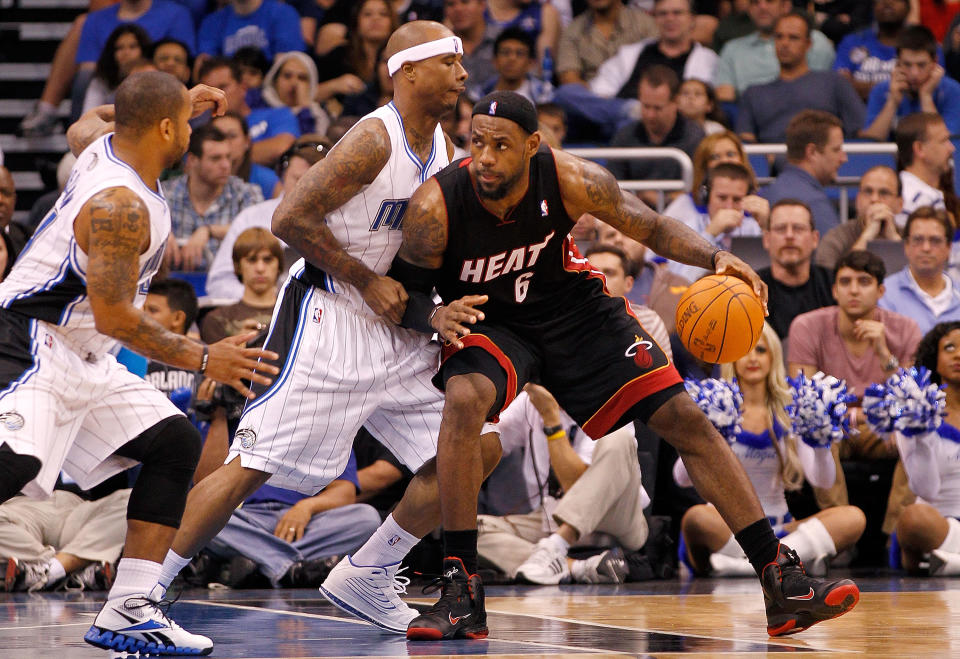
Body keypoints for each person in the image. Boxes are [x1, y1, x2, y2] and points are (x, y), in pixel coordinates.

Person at [391, 89, 858, 640]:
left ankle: (779, 578)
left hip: (575, 312)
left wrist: (715, 255)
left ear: (533, 146)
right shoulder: (434, 206)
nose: (486, 157)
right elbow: (402, 292)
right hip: (490, 319)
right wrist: (434, 315)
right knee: (466, 398)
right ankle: (460, 587)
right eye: (477, 143)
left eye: (501, 145)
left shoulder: (570, 178)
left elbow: (653, 228)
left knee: (684, 417)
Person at [152, 21, 501, 638]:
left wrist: (435, 312)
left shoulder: (447, 151)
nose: (463, 73)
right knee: (253, 461)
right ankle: (145, 590)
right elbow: (290, 219)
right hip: (332, 313)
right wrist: (365, 280)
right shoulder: (373, 139)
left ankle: (369, 569)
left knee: (476, 447)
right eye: (450, 61)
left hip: (397, 329)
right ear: (408, 71)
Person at [0, 71, 280, 656]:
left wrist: (175, 106)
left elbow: (89, 122)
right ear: (167, 128)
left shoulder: (101, 147)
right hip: (32, 337)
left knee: (172, 444)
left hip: (85, 352)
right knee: (11, 466)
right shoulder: (120, 206)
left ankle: (129, 608)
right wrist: (206, 356)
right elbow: (117, 320)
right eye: (184, 120)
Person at [677, 323, 865, 577]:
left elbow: (822, 480)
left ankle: (748, 566)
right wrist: (708, 433)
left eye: (761, 350)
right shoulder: (715, 404)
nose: (752, 358)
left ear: (773, 356)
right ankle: (791, 562)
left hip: (781, 528)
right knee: (696, 519)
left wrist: (819, 441)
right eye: (744, 350)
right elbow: (682, 478)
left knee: (853, 518)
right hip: (729, 526)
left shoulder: (792, 409)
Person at [788, 250, 923, 526]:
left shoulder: (906, 328)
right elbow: (806, 399)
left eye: (864, 282)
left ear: (881, 290)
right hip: (836, 424)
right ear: (834, 290)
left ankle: (896, 536)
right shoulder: (807, 326)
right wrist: (857, 416)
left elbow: (912, 400)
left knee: (917, 430)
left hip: (882, 428)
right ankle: (839, 529)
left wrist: (884, 353)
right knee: (817, 429)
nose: (854, 290)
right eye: (846, 282)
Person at [479, 386, 643, 585]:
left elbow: (578, 489)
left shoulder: (608, 400)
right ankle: (574, 566)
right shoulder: (530, 402)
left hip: (615, 515)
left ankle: (557, 544)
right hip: (550, 517)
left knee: (619, 439)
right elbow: (483, 447)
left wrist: (551, 419)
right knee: (472, 530)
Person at [203, 451, 382, 588]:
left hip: (306, 525)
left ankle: (261, 562)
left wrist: (306, 507)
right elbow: (205, 483)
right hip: (247, 520)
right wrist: (217, 418)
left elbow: (345, 492)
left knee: (367, 518)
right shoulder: (234, 416)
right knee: (200, 515)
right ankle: (292, 569)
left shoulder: (329, 424)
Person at [206, 138, 327, 300]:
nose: (304, 189)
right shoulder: (251, 218)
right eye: (297, 179)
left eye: (313, 182)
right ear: (283, 176)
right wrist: (264, 299)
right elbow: (219, 282)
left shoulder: (343, 221)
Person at [735, 12, 864, 144]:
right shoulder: (753, 93)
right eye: (779, 37)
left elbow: (861, 134)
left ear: (808, 44)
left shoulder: (834, 83)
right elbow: (746, 144)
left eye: (793, 38)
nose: (784, 43)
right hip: (771, 162)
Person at [896, 321, 960, 575]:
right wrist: (922, 437)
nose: (958, 354)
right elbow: (926, 489)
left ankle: (951, 561)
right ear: (934, 358)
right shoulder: (914, 412)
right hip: (934, 524)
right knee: (913, 518)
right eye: (949, 347)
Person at [161, 124, 264, 271]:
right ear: (192, 161)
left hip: (228, 286)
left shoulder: (247, 193)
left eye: (228, 157)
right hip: (172, 285)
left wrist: (209, 231)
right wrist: (159, 231)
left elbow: (258, 233)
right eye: (216, 158)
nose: (226, 165)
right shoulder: (164, 194)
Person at [607, 65, 705, 199]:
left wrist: (660, 199)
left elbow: (700, 189)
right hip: (632, 216)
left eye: (658, 108)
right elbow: (612, 189)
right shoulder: (625, 136)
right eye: (646, 106)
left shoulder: (696, 137)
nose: (650, 115)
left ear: (675, 102)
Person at [715, 0, 836, 103]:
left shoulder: (815, 41)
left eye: (770, 1)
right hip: (750, 119)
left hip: (805, 116)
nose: (762, 7)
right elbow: (725, 101)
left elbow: (824, 91)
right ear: (749, 9)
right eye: (755, 2)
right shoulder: (732, 49)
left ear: (786, 5)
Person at [664, 161, 764, 282]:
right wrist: (710, 233)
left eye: (737, 199)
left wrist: (767, 225)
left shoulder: (755, 229)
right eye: (722, 198)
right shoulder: (688, 228)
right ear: (706, 196)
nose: (729, 206)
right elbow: (680, 283)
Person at [861, 25, 960, 142]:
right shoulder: (881, 90)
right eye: (907, 64)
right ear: (898, 63)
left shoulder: (952, 90)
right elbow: (870, 144)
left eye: (921, 65)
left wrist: (926, 97)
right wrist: (892, 102)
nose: (914, 73)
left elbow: (946, 145)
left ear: (935, 62)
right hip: (891, 160)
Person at [198, 57, 301, 167]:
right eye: (209, 92)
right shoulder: (200, 132)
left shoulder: (279, 114)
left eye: (223, 87)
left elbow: (282, 147)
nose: (216, 96)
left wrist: (216, 158)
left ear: (243, 87)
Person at [760, 110, 847, 235]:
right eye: (836, 150)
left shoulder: (771, 191)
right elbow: (835, 255)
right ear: (812, 152)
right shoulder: (814, 203)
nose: (844, 158)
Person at [758, 199, 834, 343]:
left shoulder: (835, 285)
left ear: (815, 239)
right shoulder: (751, 289)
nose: (789, 236)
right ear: (767, 239)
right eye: (780, 229)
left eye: (798, 228)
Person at [879, 207, 960, 334]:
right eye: (918, 240)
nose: (926, 248)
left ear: (949, 247)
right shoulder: (883, 295)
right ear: (906, 246)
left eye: (935, 240)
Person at [201, 228, 281, 343]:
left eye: (267, 260)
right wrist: (239, 345)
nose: (260, 268)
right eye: (251, 260)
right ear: (238, 266)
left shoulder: (296, 316)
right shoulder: (215, 320)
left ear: (279, 266)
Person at [815, 166, 903, 270]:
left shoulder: (909, 235)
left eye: (884, 193)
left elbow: (920, 281)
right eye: (868, 192)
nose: (874, 199)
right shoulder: (836, 237)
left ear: (900, 204)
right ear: (857, 200)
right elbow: (828, 281)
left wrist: (894, 240)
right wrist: (867, 237)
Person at [554, 0, 657, 89]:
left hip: (637, 94)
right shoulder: (573, 31)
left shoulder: (645, 24)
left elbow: (660, 66)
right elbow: (568, 79)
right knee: (564, 94)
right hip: (593, 99)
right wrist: (599, 98)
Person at [833, 0, 921, 101]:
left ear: (908, 8)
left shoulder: (922, 42)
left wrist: (857, 85)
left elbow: (928, 87)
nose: (888, 2)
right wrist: (897, 87)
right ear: (873, 6)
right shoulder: (852, 41)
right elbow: (840, 86)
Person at [196, 0, 306, 62]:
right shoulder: (212, 22)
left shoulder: (283, 14)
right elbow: (205, 69)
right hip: (227, 95)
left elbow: (288, 65)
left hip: (270, 94)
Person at [895, 112, 957, 222]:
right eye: (943, 141)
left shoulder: (919, 194)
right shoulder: (916, 199)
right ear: (919, 149)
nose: (951, 148)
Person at [469, 27, 553, 105]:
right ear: (494, 61)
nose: (512, 59)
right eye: (505, 52)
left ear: (530, 63)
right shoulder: (478, 95)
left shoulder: (544, 94)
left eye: (519, 54)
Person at [210, 112, 281, 201]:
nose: (225, 143)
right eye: (218, 137)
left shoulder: (270, 182)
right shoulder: (197, 176)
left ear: (247, 141)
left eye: (232, 136)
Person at [261, 52, 332, 137]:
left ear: (311, 84)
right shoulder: (257, 106)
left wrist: (305, 109)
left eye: (301, 78)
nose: (294, 83)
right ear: (275, 80)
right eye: (287, 76)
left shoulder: (318, 116)